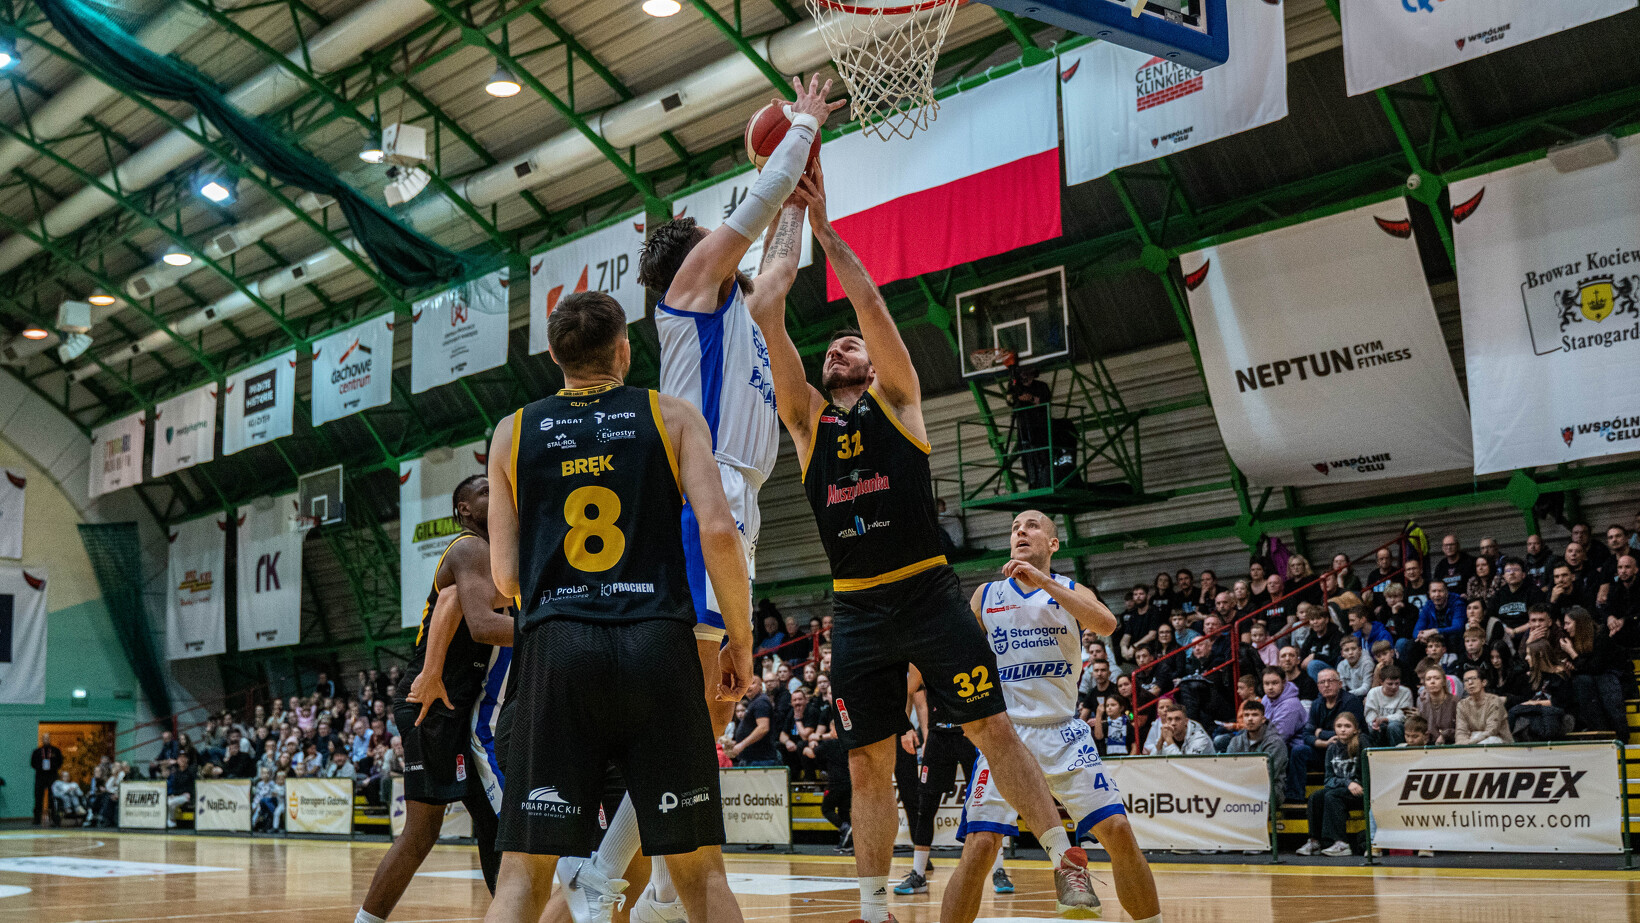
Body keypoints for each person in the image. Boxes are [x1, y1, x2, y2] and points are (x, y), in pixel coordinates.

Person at [756, 166, 1104, 923]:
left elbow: (871, 306)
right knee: (866, 760)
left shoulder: (898, 399)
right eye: (832, 348)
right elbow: (765, 314)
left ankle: (1064, 858)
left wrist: (826, 232)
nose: (839, 349)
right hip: (857, 611)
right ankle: (873, 907)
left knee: (991, 726)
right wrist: (784, 205)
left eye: (851, 346)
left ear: (873, 364)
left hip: (928, 592)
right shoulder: (807, 424)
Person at [559, 79, 839, 923]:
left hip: (739, 498)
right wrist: (803, 124)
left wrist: (802, 201)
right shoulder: (685, 292)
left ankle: (642, 885)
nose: (732, 245)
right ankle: (609, 875)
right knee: (688, 701)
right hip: (699, 491)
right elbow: (754, 213)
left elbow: (779, 264)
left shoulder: (743, 311)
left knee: (713, 706)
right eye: (719, 241)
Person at [483, 291, 754, 923]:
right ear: (624, 350)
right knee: (700, 871)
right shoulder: (673, 415)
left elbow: (505, 576)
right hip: (656, 644)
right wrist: (739, 640)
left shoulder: (512, 431)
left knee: (523, 874)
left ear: (556, 355)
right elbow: (719, 532)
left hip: (558, 648)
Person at [939, 512, 1161, 923]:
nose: (1020, 531)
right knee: (981, 845)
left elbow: (1106, 624)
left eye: (1031, 526)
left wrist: (1042, 581)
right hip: (1007, 736)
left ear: (1053, 544)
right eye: (1014, 528)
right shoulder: (986, 595)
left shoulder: (1070, 590)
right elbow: (954, 653)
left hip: (1064, 733)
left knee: (1118, 831)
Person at [357, 477, 515, 923]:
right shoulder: (470, 548)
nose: (497, 494)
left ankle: (511, 912)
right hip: (433, 699)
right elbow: (476, 622)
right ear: (464, 508)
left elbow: (452, 604)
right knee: (422, 832)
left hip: (460, 702)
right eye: (485, 492)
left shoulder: (498, 557)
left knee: (494, 822)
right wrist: (552, 629)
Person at [1296, 712, 1365, 857]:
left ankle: (1341, 843)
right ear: (1334, 729)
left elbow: (1369, 772)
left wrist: (1355, 784)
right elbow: (1328, 780)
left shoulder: (1362, 743)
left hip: (1361, 791)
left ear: (1355, 729)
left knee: (1332, 795)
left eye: (1347, 726)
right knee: (1316, 796)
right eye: (1339, 726)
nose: (1343, 729)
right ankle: (1315, 841)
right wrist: (1347, 782)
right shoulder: (1332, 748)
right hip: (1343, 789)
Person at [1225, 699, 1287, 828]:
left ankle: (1251, 836)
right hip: (1241, 787)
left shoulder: (1275, 742)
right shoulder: (1235, 741)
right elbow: (1228, 769)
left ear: (1263, 719)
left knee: (1251, 796)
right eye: (1246, 715)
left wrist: (1241, 775)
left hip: (1271, 790)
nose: (1250, 719)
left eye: (1254, 715)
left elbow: (1267, 774)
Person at [1455, 669, 1512, 745]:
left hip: (1499, 743)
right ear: (1464, 687)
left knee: (1490, 740)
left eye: (1474, 678)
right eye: (1466, 680)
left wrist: (1470, 743)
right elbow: (1461, 731)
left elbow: (1492, 730)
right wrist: (1461, 744)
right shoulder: (1462, 704)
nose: (1470, 682)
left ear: (1484, 682)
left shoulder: (1494, 701)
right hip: (1472, 741)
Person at [1363, 665, 1414, 745]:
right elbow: (1370, 713)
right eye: (1390, 684)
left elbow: (1403, 715)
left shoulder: (1405, 692)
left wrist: (1385, 719)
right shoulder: (1373, 693)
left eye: (1397, 683)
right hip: (1378, 724)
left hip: (1398, 725)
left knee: (1393, 726)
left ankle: (1397, 750)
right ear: (1381, 682)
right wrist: (1374, 723)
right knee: (1371, 729)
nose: (1394, 687)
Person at [1416, 664, 1457, 745]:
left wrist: (1444, 735)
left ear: (1444, 682)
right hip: (1429, 746)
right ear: (1425, 684)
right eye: (1428, 679)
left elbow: (1462, 729)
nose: (1432, 682)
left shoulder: (1455, 702)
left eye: (1437, 678)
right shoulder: (1422, 704)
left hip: (1452, 744)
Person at [30, 733, 63, 825]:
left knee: (52, 798)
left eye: (47, 738)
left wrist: (52, 767)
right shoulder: (37, 752)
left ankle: (54, 818)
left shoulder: (55, 751)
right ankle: (37, 819)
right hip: (40, 776)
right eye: (44, 738)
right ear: (42, 739)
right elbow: (32, 763)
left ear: (50, 739)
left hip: (52, 776)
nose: (46, 740)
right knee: (38, 798)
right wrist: (40, 767)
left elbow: (60, 762)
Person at [1335, 636, 1373, 700]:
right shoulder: (1341, 665)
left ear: (1360, 650)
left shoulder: (1367, 663)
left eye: (1353, 649)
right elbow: (1341, 687)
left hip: (1365, 697)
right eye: (1346, 650)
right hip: (1349, 696)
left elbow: (1366, 688)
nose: (1350, 653)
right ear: (1342, 653)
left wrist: (1347, 695)